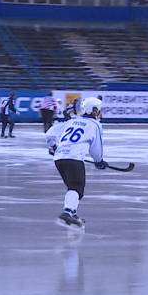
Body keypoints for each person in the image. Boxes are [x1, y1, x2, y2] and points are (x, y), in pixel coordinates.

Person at [45, 97, 108, 230]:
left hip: (59, 158)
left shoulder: (72, 121)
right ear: (94, 110)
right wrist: (99, 161)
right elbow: (96, 148)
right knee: (76, 187)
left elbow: (49, 134)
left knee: (73, 188)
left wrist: (54, 147)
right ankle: (67, 213)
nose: (101, 113)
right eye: (99, 110)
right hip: (74, 159)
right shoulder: (95, 125)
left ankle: (72, 213)